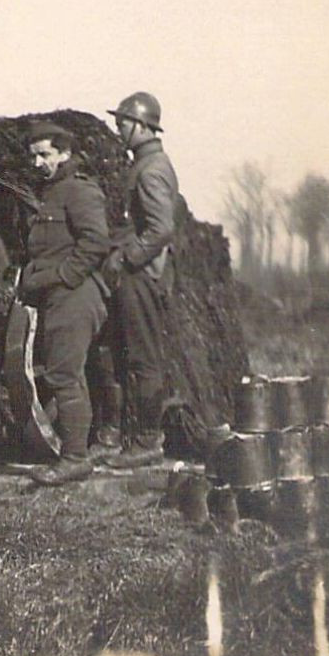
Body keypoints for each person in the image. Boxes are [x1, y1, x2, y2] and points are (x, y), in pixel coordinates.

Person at [17, 122, 110, 487]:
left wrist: (64, 277)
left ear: (65, 153)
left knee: (64, 375)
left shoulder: (78, 191)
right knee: (66, 372)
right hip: (58, 296)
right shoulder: (51, 193)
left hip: (75, 295)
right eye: (34, 156)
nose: (38, 162)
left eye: (45, 154)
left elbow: (95, 243)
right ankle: (76, 453)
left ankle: (74, 459)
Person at [100, 92, 181, 469]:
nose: (119, 131)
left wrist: (126, 259)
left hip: (142, 275)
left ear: (143, 126)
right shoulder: (143, 164)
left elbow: (161, 229)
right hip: (135, 274)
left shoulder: (151, 169)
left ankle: (147, 441)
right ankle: (128, 438)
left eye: (123, 124)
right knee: (125, 354)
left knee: (144, 358)